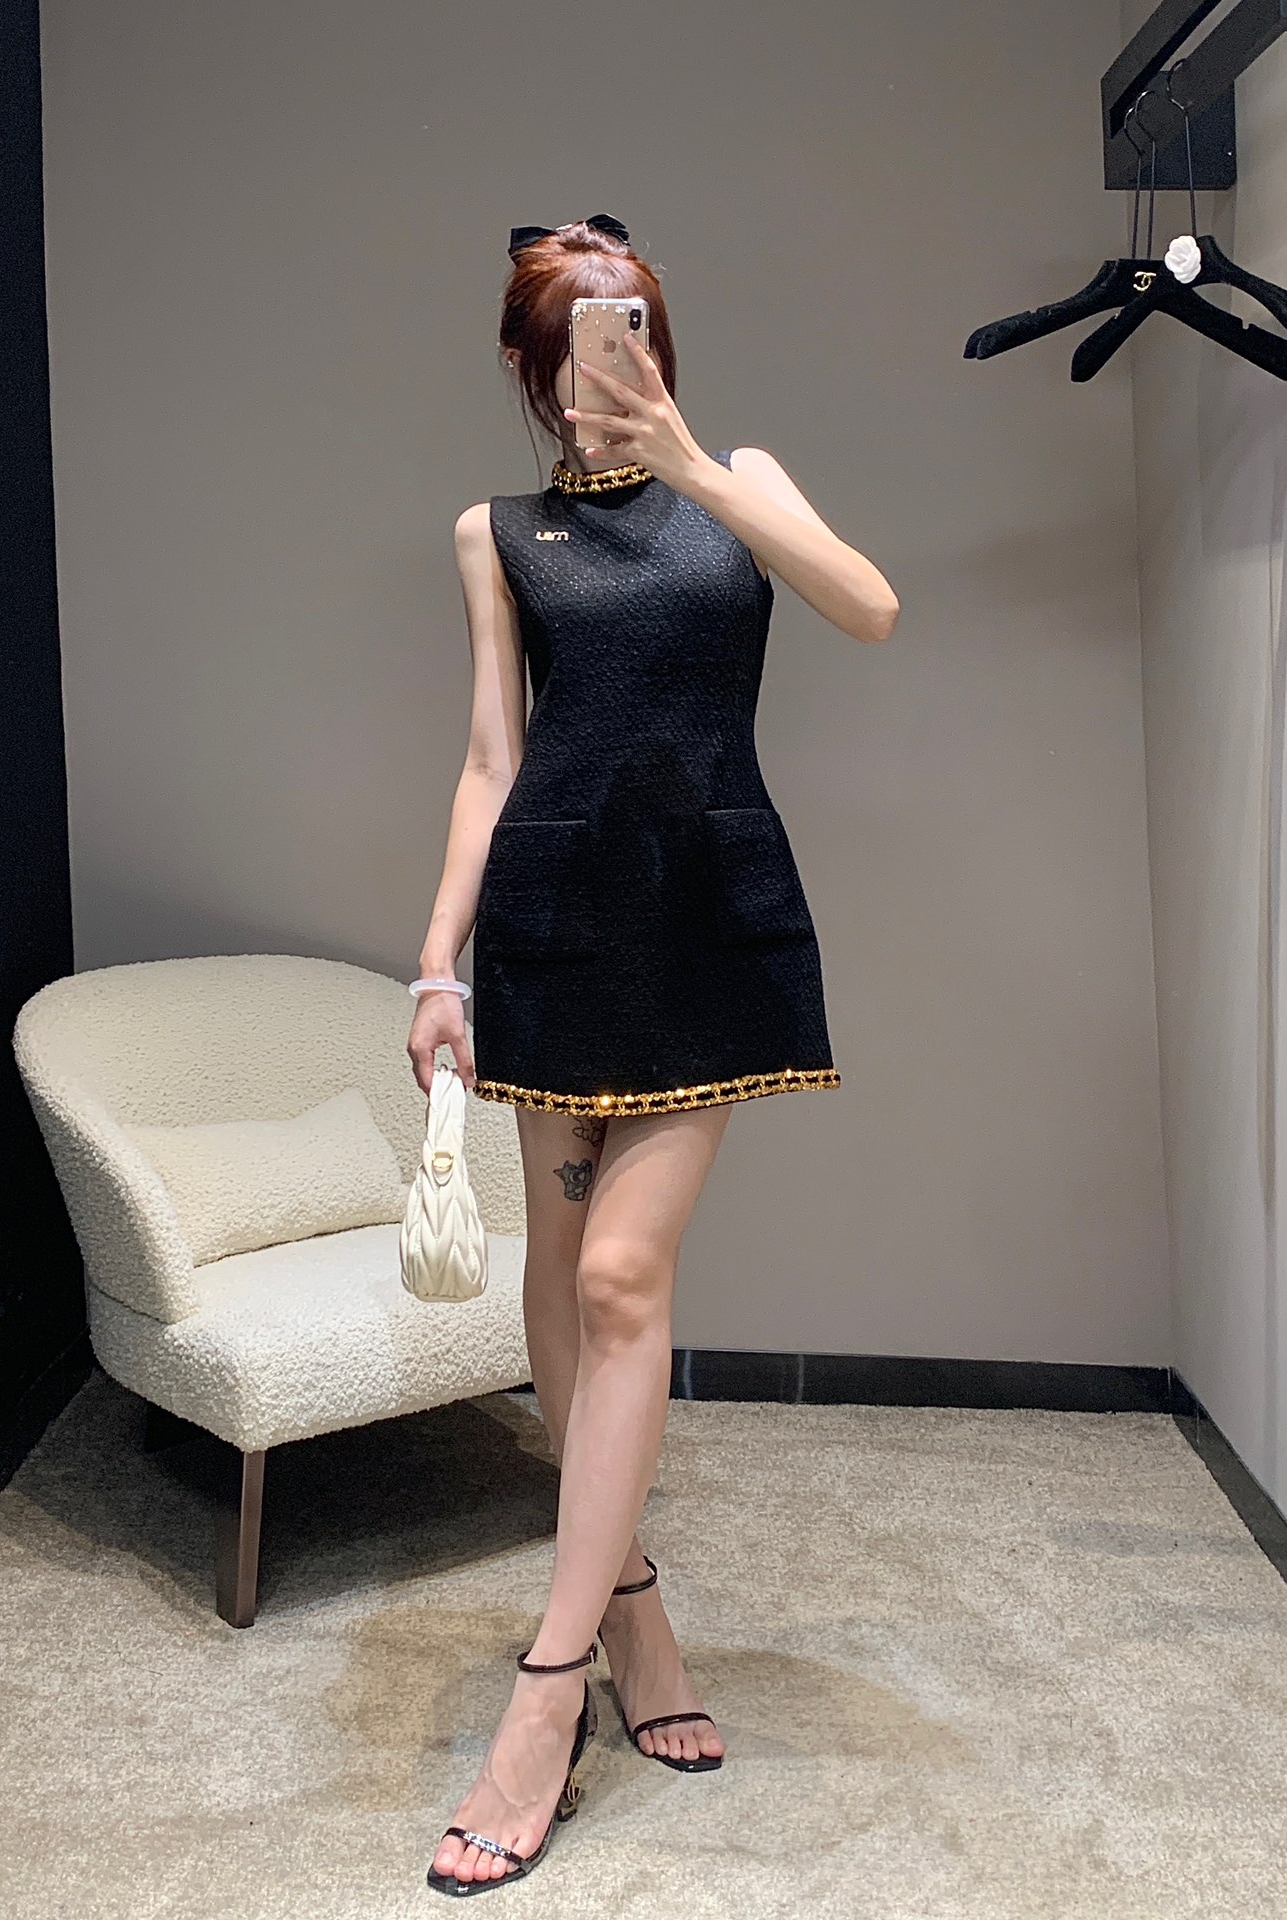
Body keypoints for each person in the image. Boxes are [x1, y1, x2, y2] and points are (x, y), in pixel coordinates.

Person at [408, 213, 900, 1896]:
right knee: (561, 1284)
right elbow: (493, 760)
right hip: (552, 924)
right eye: (578, 339)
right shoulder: (496, 533)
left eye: (633, 325)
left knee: (623, 1276)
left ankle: (543, 1695)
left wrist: (689, 460)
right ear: (531, 366)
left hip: (704, 919)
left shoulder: (737, 480)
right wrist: (437, 960)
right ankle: (632, 1610)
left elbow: (868, 607)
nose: (612, 359)